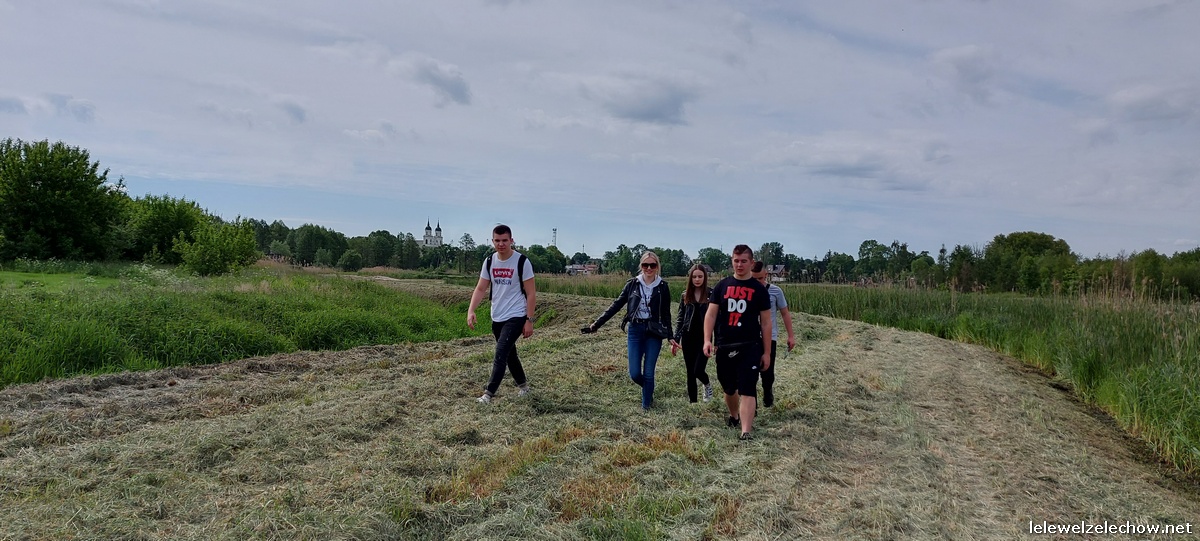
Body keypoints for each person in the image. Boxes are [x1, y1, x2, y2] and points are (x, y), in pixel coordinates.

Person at [581, 251, 672, 411]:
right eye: (645, 265)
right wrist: (597, 324)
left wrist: (671, 336)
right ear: (641, 266)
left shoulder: (663, 287)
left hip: (654, 332)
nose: (649, 268)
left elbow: (666, 314)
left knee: (648, 373)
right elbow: (616, 305)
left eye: (652, 265)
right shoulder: (632, 284)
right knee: (635, 373)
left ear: (657, 267)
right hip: (635, 330)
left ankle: (646, 406)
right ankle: (648, 389)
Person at [703, 245, 772, 440]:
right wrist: (707, 340)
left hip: (750, 345)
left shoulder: (759, 290)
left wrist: (766, 352)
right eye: (736, 260)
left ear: (751, 262)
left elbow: (766, 323)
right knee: (729, 388)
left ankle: (746, 431)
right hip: (725, 345)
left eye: (743, 261)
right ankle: (734, 416)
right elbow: (711, 314)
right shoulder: (722, 286)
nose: (739, 264)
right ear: (732, 261)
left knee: (748, 388)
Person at [467, 224, 537, 404]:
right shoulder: (489, 261)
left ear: (511, 240)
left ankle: (488, 395)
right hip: (497, 316)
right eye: (497, 241)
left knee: (500, 353)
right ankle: (524, 387)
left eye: (505, 240)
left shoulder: (522, 262)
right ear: (492, 241)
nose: (501, 244)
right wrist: (471, 310)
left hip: (516, 315)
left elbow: (531, 293)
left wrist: (529, 320)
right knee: (510, 354)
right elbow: (481, 288)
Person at [752, 261, 796, 407]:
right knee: (750, 373)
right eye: (754, 279)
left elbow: (785, 313)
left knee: (767, 371)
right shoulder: (747, 291)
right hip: (750, 337)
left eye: (760, 278)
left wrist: (791, 336)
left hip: (769, 337)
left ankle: (767, 392)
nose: (758, 282)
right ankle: (752, 404)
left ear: (766, 275)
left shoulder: (776, 291)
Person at [670, 264, 714, 403]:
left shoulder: (711, 294)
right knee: (690, 372)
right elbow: (680, 319)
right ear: (690, 278)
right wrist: (676, 339)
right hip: (688, 337)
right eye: (694, 277)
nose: (697, 279)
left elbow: (717, 318)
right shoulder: (685, 295)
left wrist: (718, 340)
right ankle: (693, 403)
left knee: (698, 370)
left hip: (704, 338)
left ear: (705, 277)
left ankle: (707, 384)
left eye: (700, 276)